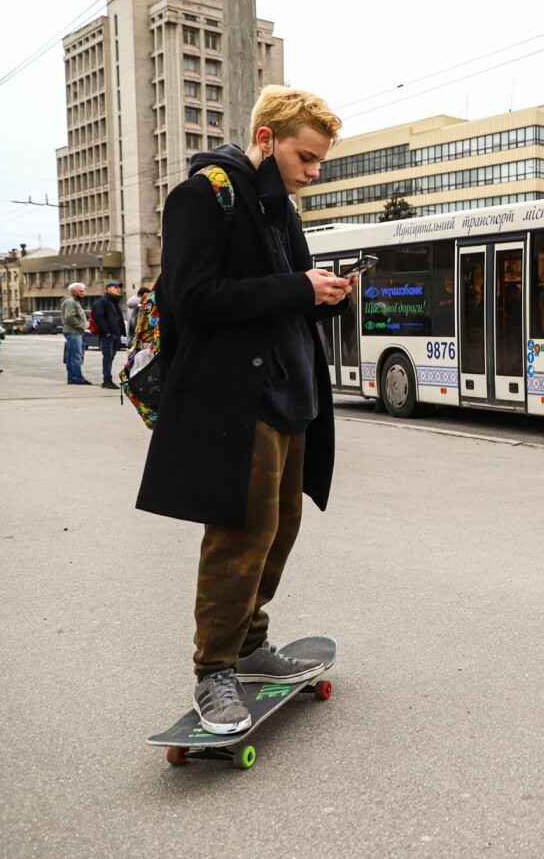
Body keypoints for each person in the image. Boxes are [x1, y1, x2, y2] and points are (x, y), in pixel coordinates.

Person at [136, 85, 352, 735]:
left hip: (292, 395)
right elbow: (193, 297)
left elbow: (293, 295)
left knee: (279, 529)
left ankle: (251, 642)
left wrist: (327, 295)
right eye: (306, 157)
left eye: (319, 161)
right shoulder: (203, 195)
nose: (313, 171)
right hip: (239, 398)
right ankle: (214, 670)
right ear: (266, 139)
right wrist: (296, 287)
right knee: (238, 537)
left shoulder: (281, 207)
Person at [91, 280, 127, 390]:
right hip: (108, 336)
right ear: (108, 289)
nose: (118, 289)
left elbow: (119, 319)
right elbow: (98, 317)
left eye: (119, 287)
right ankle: (107, 380)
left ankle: (108, 379)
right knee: (107, 357)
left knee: (111, 358)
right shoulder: (102, 302)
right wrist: (107, 332)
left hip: (115, 335)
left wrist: (122, 334)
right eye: (115, 287)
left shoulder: (114, 302)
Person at [60, 282, 91, 386]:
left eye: (83, 291)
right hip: (73, 332)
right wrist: (80, 326)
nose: (83, 293)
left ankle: (72, 378)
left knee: (70, 356)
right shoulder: (70, 301)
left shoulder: (73, 300)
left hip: (72, 331)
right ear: (73, 291)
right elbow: (69, 317)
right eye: (80, 291)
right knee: (76, 356)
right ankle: (79, 378)